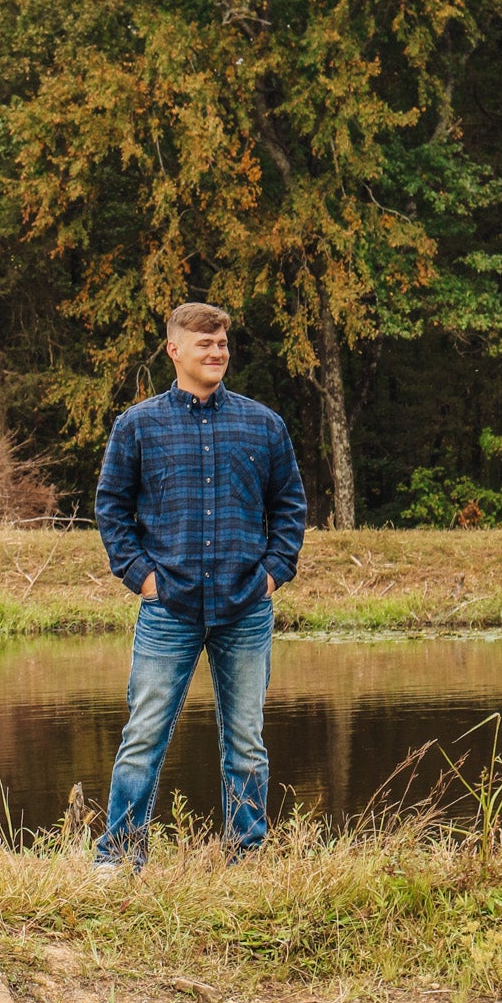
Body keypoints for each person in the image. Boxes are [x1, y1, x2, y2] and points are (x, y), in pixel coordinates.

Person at [94, 302, 307, 866]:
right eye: (204, 344)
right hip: (170, 606)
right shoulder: (137, 425)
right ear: (174, 350)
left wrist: (272, 574)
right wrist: (141, 578)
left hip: (245, 605)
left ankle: (246, 857)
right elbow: (111, 509)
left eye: (222, 345)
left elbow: (290, 506)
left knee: (246, 744)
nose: (216, 353)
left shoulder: (263, 424)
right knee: (142, 739)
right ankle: (118, 858)